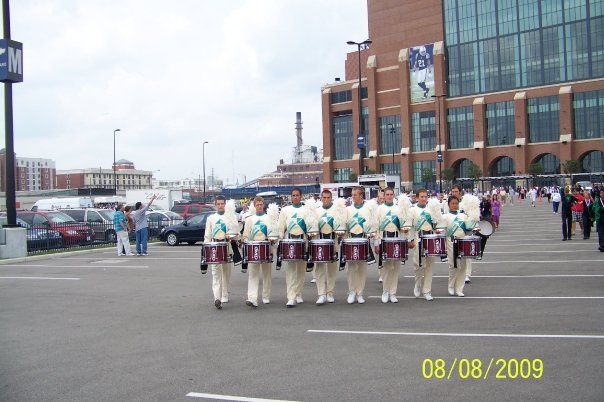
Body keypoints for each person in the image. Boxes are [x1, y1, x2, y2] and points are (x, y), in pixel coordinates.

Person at [277, 188, 313, 308]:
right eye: (293, 195)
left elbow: (310, 225)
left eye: (297, 195)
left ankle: (298, 293)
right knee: (291, 271)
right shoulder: (285, 210)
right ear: (291, 197)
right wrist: (280, 240)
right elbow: (281, 227)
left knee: (301, 271)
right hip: (290, 242)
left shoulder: (306, 210)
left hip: (303, 241)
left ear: (301, 197)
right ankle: (291, 297)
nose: (295, 197)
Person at [204, 196, 237, 309]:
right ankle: (217, 298)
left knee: (226, 273)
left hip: (227, 246)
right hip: (214, 247)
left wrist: (232, 236)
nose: (220, 206)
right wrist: (206, 248)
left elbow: (236, 234)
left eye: (222, 203)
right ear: (215, 205)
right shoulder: (211, 218)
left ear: (225, 204)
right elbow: (207, 235)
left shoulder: (230, 217)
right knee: (215, 274)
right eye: (218, 204)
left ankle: (225, 294)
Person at [343, 186, 376, 304]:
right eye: (352, 195)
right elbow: (344, 226)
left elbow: (372, 225)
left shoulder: (368, 209)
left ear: (361, 195)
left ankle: (359, 293)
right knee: (350, 269)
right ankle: (352, 292)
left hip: (363, 241)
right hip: (350, 241)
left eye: (355, 195)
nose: (352, 197)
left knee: (362, 269)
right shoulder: (347, 210)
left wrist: (372, 234)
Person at [409, 188, 442, 301]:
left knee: (429, 265)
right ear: (417, 198)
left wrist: (438, 230)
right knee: (418, 264)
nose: (424, 199)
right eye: (421, 197)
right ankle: (417, 284)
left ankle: (427, 290)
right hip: (418, 238)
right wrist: (410, 240)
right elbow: (411, 227)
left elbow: (437, 223)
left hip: (430, 239)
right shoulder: (412, 210)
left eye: (425, 197)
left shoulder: (431, 209)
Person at [375, 187, 407, 303]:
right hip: (384, 239)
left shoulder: (398, 209)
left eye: (391, 194)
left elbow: (403, 226)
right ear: (384, 196)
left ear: (394, 195)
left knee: (395, 268)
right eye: (387, 194)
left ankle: (393, 293)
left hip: (396, 239)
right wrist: (377, 243)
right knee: (386, 268)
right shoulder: (379, 209)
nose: (389, 196)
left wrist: (405, 232)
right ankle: (385, 291)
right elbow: (376, 226)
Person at [242, 196, 273, 307]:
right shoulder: (249, 219)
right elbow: (245, 235)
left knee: (267, 274)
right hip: (253, 249)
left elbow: (273, 233)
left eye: (261, 204)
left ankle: (266, 296)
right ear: (254, 206)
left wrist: (272, 240)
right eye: (257, 205)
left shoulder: (269, 218)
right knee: (253, 274)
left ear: (263, 205)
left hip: (266, 248)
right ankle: (252, 298)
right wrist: (246, 241)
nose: (259, 206)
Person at [312, 189, 340, 305]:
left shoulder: (337, 211)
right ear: (321, 198)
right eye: (324, 197)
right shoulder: (316, 211)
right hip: (320, 242)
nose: (326, 200)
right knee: (319, 269)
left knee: (332, 270)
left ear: (331, 198)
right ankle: (321, 294)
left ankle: (330, 293)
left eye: (328, 198)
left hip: (333, 242)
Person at [442, 196, 473, 297]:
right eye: (453, 203)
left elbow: (468, 230)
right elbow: (443, 231)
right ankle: (451, 285)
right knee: (454, 265)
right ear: (449, 205)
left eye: (456, 203)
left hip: (463, 242)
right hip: (451, 243)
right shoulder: (445, 217)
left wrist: (473, 226)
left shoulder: (463, 216)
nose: (455, 205)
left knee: (463, 266)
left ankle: (459, 288)